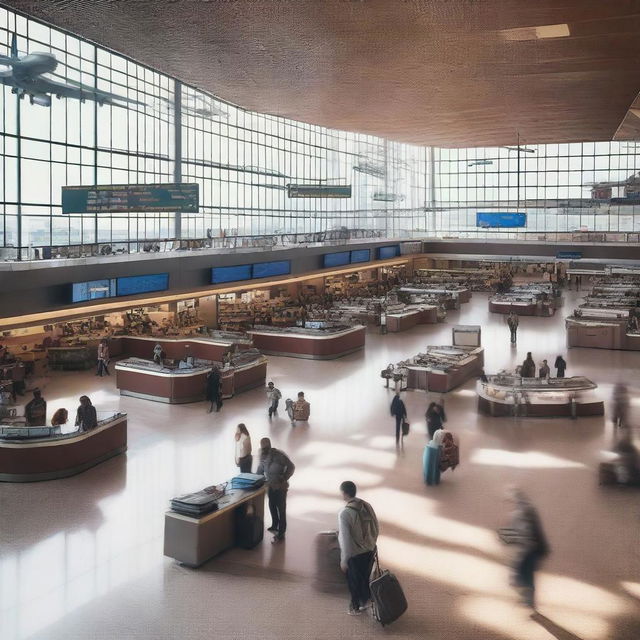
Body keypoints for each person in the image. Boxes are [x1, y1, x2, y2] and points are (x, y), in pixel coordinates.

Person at [498, 487, 549, 610]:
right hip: (530, 548)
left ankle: (528, 600)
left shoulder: (521, 513)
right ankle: (528, 600)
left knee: (521, 575)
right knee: (525, 575)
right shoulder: (526, 510)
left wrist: (507, 536)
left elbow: (522, 532)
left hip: (529, 549)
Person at [337, 481, 379, 616]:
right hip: (370, 549)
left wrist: (344, 560)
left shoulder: (344, 513)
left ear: (344, 493)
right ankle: (365, 601)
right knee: (365, 576)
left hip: (356, 554)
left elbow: (345, 539)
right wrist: (372, 543)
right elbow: (376, 526)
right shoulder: (366, 505)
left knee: (354, 580)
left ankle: (355, 607)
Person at [256, 438, 295, 543]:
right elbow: (260, 469)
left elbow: (291, 467)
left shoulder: (279, 455)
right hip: (270, 486)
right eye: (262, 447)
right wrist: (255, 480)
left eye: (265, 447)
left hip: (281, 487)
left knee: (281, 509)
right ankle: (274, 525)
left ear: (269, 445)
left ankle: (281, 532)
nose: (263, 449)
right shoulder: (262, 456)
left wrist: (284, 478)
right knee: (272, 505)